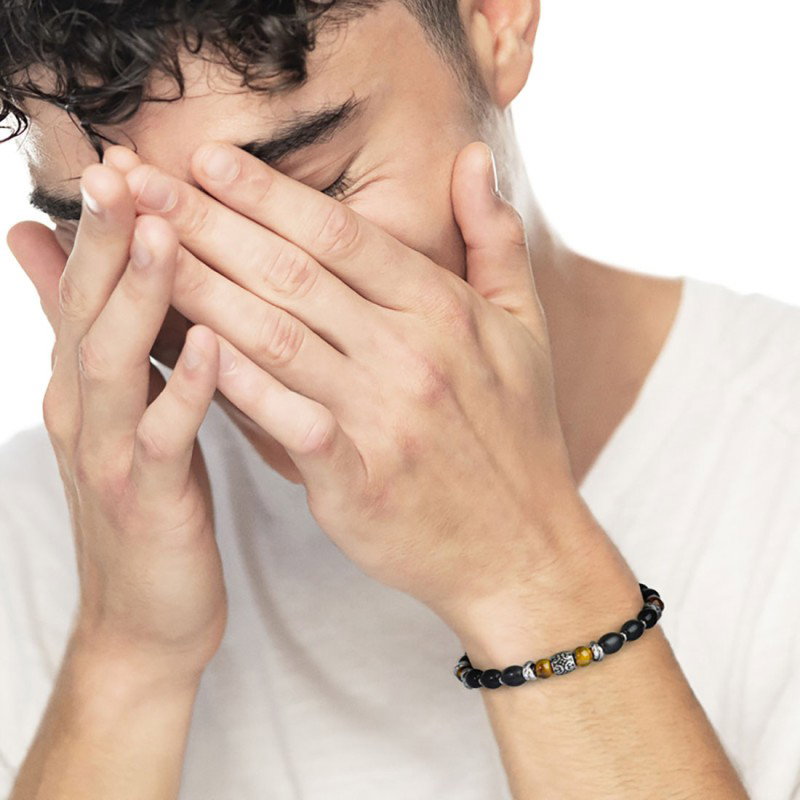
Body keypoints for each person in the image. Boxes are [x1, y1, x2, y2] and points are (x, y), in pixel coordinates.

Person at [0, 0, 798, 797]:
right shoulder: (34, 530)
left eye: (304, 183)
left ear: (497, 23)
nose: (230, 315)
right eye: (113, 234)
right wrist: (125, 654)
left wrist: (530, 575)